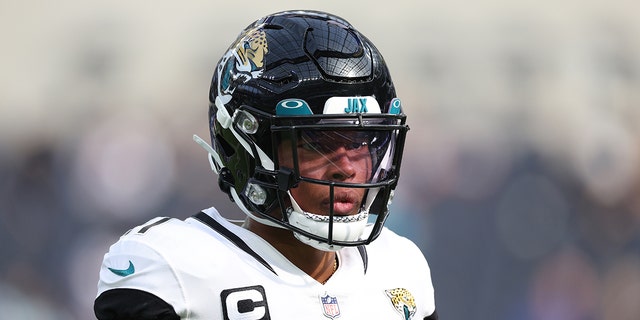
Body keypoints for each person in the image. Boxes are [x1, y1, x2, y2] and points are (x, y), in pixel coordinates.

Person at [93, 10, 437, 320]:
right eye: (317, 143)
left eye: (360, 142)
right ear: (245, 147)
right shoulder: (172, 268)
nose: (346, 168)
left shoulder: (400, 267)